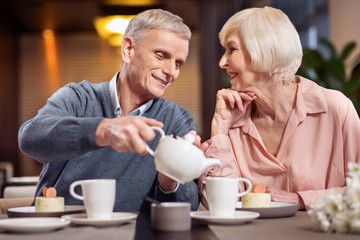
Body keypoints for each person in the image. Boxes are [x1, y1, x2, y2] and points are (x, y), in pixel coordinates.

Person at [18, 9, 201, 212]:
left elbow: (190, 206)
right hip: (57, 229)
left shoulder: (176, 120)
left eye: (178, 63)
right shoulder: (78, 97)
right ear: (128, 50)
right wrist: (103, 130)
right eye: (161, 56)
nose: (171, 72)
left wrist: (170, 182)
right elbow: (30, 138)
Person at [199, 6, 360, 210]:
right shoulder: (232, 119)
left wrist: (298, 199)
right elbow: (219, 204)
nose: (222, 62)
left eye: (232, 49)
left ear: (265, 50)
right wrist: (220, 129)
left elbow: (358, 191)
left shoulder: (336, 109)